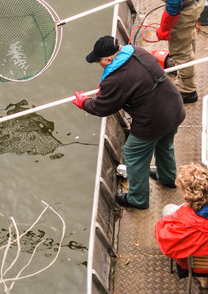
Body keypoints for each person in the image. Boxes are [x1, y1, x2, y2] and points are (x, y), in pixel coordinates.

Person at [73, 35, 185, 210]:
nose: (99, 65)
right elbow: (134, 81)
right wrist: (107, 87)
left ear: (109, 59)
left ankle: (138, 199)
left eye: (99, 61)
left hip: (153, 121)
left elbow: (102, 108)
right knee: (165, 144)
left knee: (133, 154)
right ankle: (167, 177)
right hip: (174, 107)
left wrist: (84, 103)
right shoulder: (138, 52)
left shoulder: (115, 79)